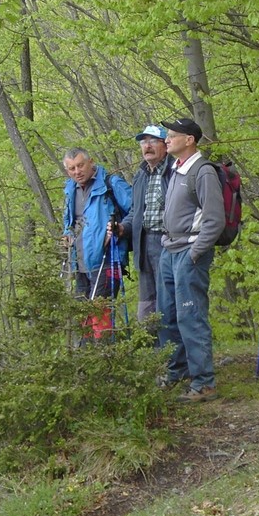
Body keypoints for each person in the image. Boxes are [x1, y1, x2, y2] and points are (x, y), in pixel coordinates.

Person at [156, 118, 225, 403]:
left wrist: (196, 252)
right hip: (169, 251)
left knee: (191, 317)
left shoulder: (203, 171)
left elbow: (215, 220)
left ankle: (204, 383)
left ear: (190, 140)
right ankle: (177, 371)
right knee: (167, 317)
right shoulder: (175, 169)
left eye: (172, 135)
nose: (167, 140)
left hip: (189, 252)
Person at [62, 148, 132, 340]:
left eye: (80, 165)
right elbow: (70, 222)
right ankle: (89, 364)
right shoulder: (70, 189)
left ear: (90, 162)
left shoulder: (111, 184)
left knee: (100, 318)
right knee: (83, 320)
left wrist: (121, 228)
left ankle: (106, 362)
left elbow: (136, 209)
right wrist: (66, 235)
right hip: (80, 263)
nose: (77, 171)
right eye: (71, 168)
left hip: (109, 259)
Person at [112, 125, 174, 325]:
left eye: (153, 141)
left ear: (165, 144)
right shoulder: (140, 175)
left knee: (169, 302)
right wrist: (123, 228)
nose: (147, 146)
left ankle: (174, 353)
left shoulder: (175, 171)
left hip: (168, 243)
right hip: (143, 243)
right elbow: (135, 213)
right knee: (147, 306)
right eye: (143, 142)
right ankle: (155, 353)